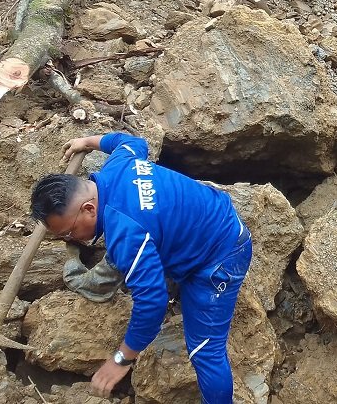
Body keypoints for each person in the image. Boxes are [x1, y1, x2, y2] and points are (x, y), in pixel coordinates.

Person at [30, 132, 252, 402]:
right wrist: (88, 142)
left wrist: (122, 358)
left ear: (89, 209)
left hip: (221, 256)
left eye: (68, 232)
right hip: (210, 219)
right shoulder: (117, 166)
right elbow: (133, 143)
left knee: (205, 351)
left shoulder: (125, 232)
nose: (71, 239)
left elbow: (152, 302)